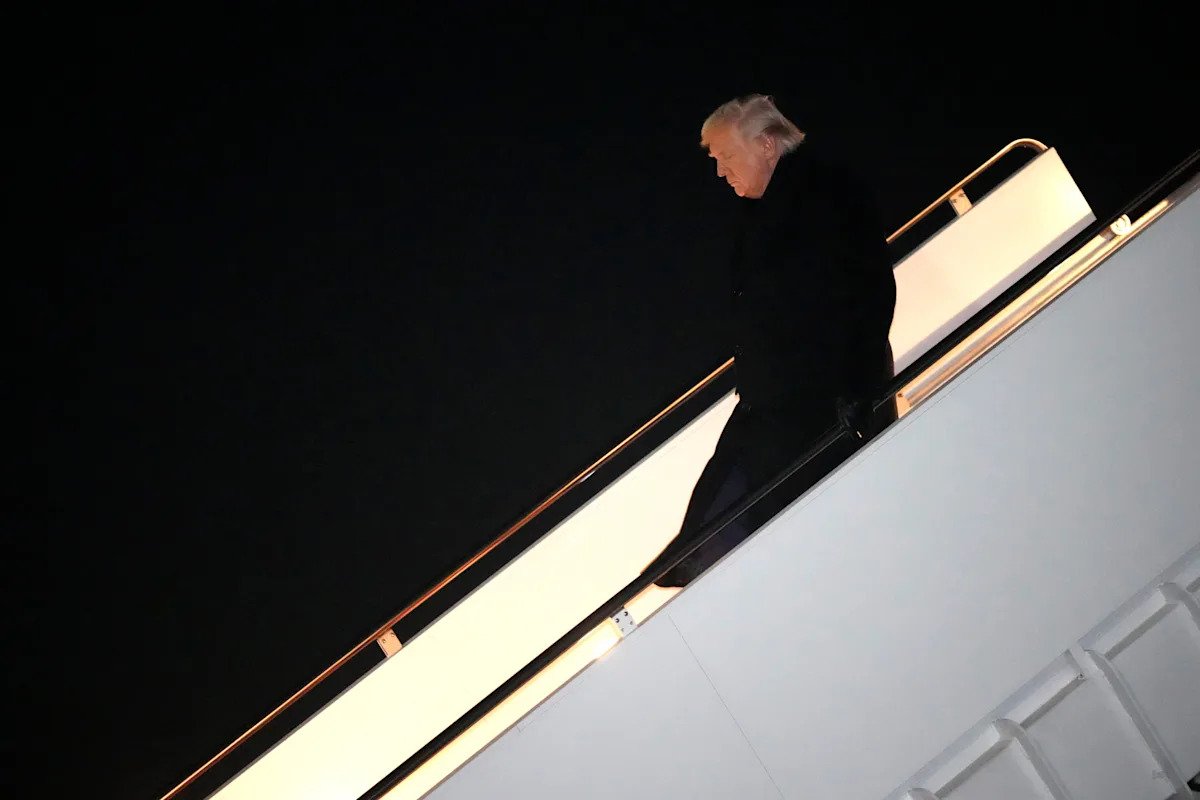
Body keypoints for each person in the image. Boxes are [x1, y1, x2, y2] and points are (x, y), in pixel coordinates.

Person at [651, 94, 897, 588]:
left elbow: (868, 290)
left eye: (726, 155)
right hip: (778, 402)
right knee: (724, 511)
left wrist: (858, 389)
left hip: (819, 402)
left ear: (766, 144)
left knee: (751, 515)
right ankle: (703, 581)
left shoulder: (824, 195)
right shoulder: (767, 210)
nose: (720, 171)